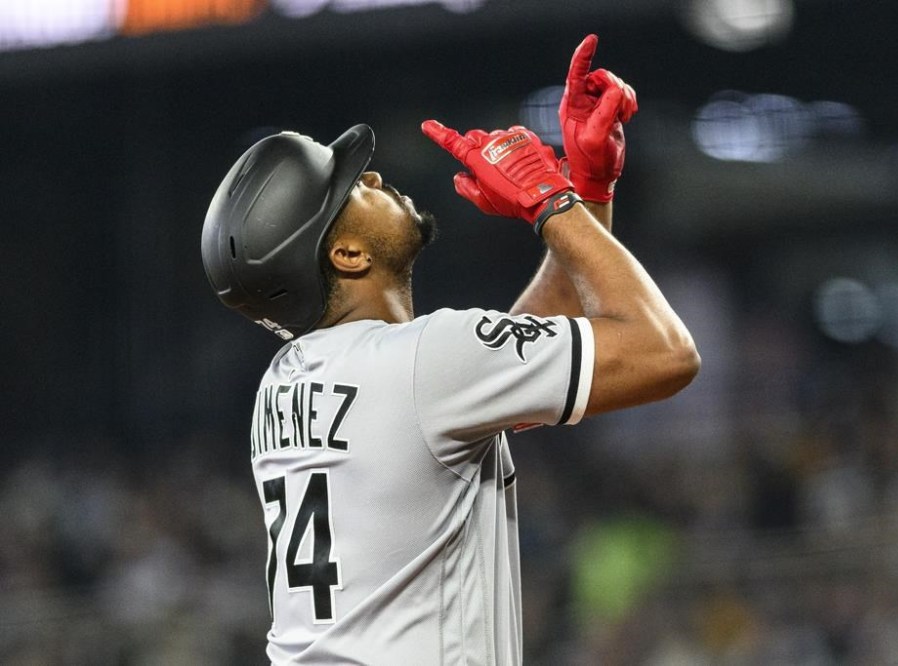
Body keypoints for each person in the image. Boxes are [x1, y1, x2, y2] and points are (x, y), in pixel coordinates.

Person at [201, 34, 698, 665]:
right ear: (347, 255)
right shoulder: (424, 362)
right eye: (352, 188)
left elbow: (503, 384)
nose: (374, 176)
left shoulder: (285, 379)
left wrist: (589, 190)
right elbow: (666, 354)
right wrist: (553, 204)